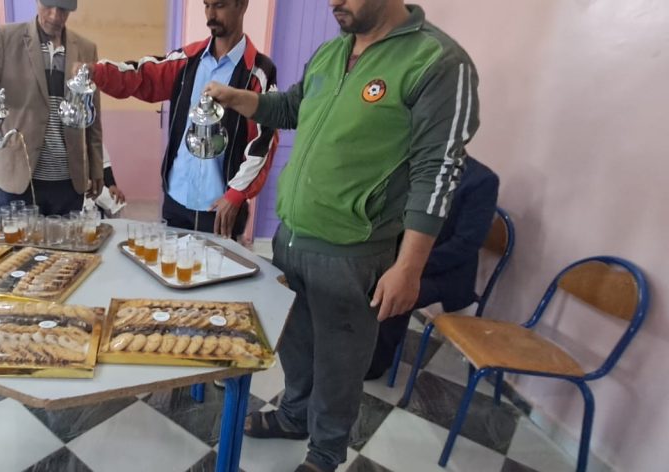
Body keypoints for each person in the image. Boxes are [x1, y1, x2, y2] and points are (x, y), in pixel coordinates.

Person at [205, 1, 480, 470]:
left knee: (340, 362)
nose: (334, 2)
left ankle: (326, 452)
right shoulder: (333, 52)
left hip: (352, 251)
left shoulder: (437, 62)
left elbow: (438, 171)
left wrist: (409, 267)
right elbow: (291, 107)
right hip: (292, 237)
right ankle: (294, 415)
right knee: (295, 344)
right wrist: (237, 98)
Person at [84, 0, 277, 238]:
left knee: (217, 264)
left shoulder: (258, 72)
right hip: (176, 200)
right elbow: (141, 76)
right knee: (170, 262)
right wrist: (97, 72)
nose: (211, 14)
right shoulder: (187, 60)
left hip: (220, 209)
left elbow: (264, 140)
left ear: (242, 5)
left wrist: (237, 194)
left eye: (219, 5)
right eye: (206, 5)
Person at [0, 0, 104, 216]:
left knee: (67, 239)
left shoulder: (86, 48)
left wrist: (97, 167)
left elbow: (92, 114)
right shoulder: (6, 38)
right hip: (19, 177)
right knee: (18, 239)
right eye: (48, 6)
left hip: (69, 179)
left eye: (63, 9)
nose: (54, 16)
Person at [366, 156, 498, 379]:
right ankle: (350, 348)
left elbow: (465, 244)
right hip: (405, 259)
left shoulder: (482, 180)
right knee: (360, 275)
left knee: (394, 292)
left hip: (445, 272)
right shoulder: (419, 165)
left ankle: (374, 364)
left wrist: (408, 265)